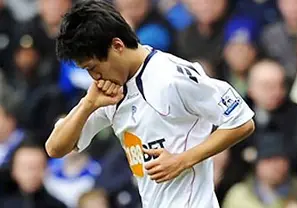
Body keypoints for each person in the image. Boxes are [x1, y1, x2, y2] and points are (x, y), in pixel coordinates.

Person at [45, 1, 256, 208]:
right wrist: (88, 104)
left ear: (117, 45)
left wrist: (182, 160)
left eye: (93, 67)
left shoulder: (171, 76)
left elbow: (241, 121)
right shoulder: (108, 92)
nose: (94, 76)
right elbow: (55, 148)